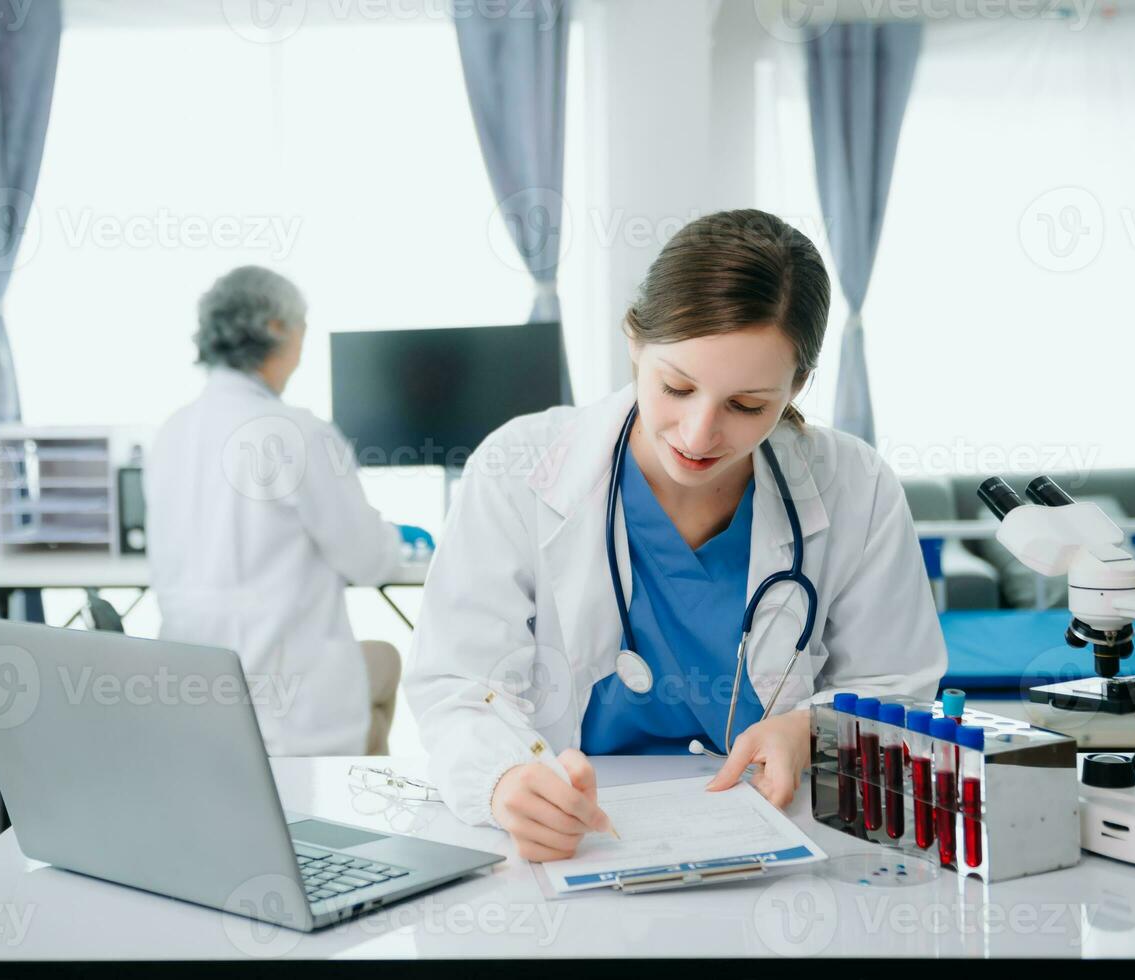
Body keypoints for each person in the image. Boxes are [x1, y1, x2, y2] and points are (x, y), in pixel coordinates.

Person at [405, 210, 948, 861]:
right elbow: (458, 681)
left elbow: (898, 681)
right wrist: (503, 780)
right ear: (635, 342)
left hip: (776, 838)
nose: (697, 434)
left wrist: (808, 731)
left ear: (797, 386)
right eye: (676, 387)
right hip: (579, 840)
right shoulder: (517, 467)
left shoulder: (855, 485)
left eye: (747, 406)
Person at [146, 266, 431, 756]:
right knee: (386, 663)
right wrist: (399, 538)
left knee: (375, 663)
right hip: (285, 708)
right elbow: (367, 562)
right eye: (301, 326)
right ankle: (354, 809)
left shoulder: (173, 430)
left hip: (190, 698)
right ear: (276, 329)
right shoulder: (294, 432)